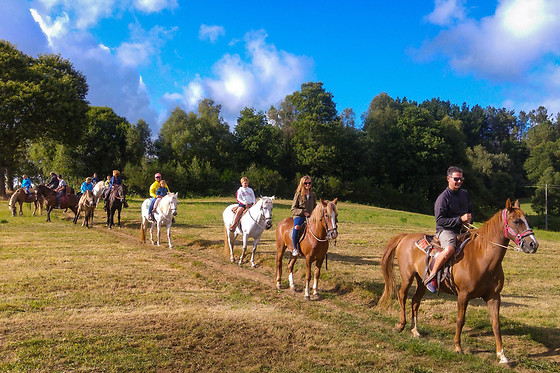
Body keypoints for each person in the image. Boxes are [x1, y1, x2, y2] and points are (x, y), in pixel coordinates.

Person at [424, 166, 473, 292]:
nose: (459, 182)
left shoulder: (465, 194)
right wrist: (460, 220)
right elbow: (440, 220)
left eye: (461, 179)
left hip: (462, 229)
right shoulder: (443, 198)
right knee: (450, 249)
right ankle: (432, 276)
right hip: (445, 230)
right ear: (448, 178)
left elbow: (470, 212)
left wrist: (469, 220)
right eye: (456, 179)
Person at [290, 175, 317, 256]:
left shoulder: (313, 194)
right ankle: (294, 248)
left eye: (309, 183)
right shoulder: (298, 194)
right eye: (306, 183)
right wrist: (303, 212)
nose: (308, 185)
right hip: (300, 216)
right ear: (302, 184)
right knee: (297, 227)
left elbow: (315, 205)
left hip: (311, 216)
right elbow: (293, 208)